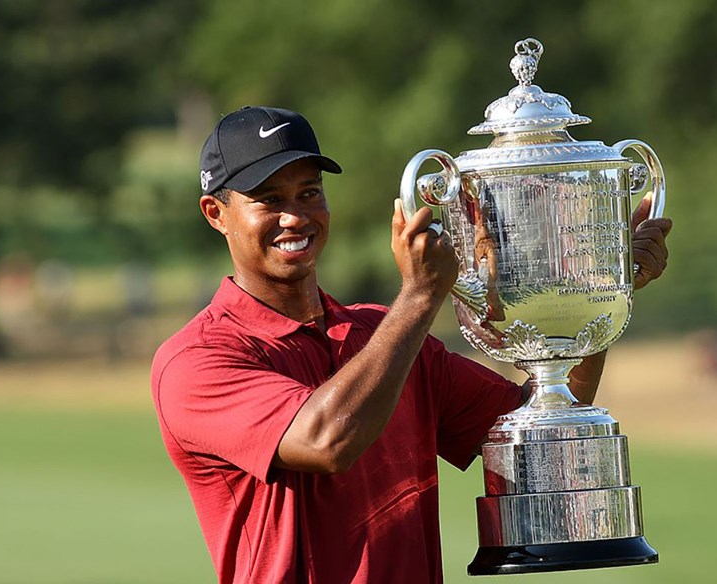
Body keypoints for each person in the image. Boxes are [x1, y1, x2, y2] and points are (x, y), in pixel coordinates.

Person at [151, 106, 672, 584]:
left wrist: (595, 291)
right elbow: (327, 441)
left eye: (309, 193)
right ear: (215, 213)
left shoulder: (385, 335)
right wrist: (422, 294)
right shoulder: (196, 360)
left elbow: (542, 433)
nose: (296, 217)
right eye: (268, 200)